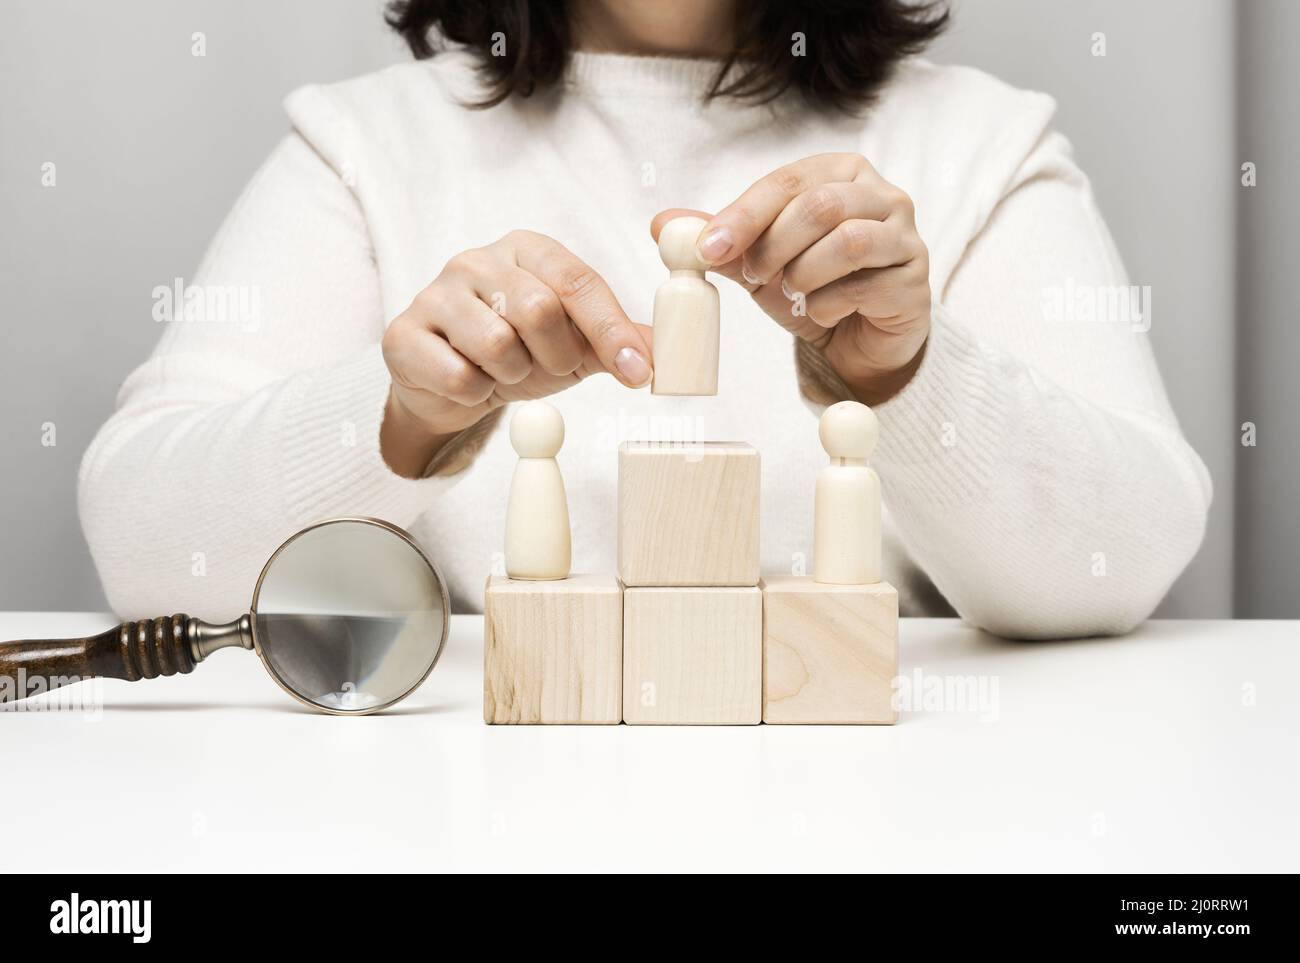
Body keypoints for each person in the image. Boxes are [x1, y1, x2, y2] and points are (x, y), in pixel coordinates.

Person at [78, 0, 1211, 639]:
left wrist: (907, 376)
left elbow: (1121, 566)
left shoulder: (978, 143)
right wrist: (403, 418)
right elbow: (147, 558)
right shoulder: (363, 145)